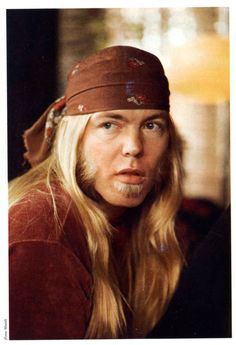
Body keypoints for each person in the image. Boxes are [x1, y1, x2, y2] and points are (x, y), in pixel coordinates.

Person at [9, 45, 185, 339]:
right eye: (108, 125)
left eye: (152, 125)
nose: (134, 147)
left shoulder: (141, 222)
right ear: (74, 140)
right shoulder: (42, 235)